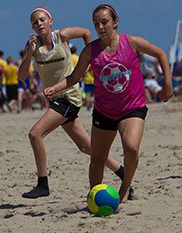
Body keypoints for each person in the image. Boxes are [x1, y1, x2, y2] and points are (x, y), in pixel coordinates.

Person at [44, 4, 173, 203]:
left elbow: (161, 54)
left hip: (132, 108)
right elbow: (74, 77)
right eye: (96, 24)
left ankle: (125, 186)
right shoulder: (90, 50)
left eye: (104, 22)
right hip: (104, 112)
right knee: (97, 160)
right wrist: (56, 88)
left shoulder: (131, 42)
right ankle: (95, 198)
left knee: (130, 147)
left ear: (115, 22)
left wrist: (167, 83)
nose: (100, 27)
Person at [18, 7, 126, 199]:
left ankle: (43, 184)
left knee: (35, 134)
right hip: (55, 100)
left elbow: (85, 32)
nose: (39, 24)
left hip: (69, 97)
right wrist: (28, 52)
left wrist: (92, 60)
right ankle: (122, 173)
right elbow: (21, 75)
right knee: (87, 148)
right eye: (35, 22)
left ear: (50, 20)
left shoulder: (62, 35)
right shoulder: (33, 47)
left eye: (42, 20)